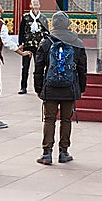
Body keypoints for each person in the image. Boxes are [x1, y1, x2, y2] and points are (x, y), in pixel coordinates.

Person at [34, 11, 87, 165]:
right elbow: (82, 68)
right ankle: (64, 152)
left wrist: (38, 88)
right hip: (69, 87)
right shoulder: (77, 42)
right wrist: (81, 88)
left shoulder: (45, 42)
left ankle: (47, 153)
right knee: (66, 119)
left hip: (50, 86)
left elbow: (39, 68)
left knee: (49, 120)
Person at [18, 0, 49, 94]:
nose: (35, 4)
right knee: (25, 67)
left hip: (39, 45)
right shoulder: (26, 17)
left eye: (37, 3)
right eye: (33, 3)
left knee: (39, 67)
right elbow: (21, 31)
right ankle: (23, 87)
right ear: (30, 5)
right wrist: (20, 44)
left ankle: (39, 86)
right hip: (28, 44)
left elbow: (47, 31)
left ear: (40, 5)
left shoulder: (43, 18)